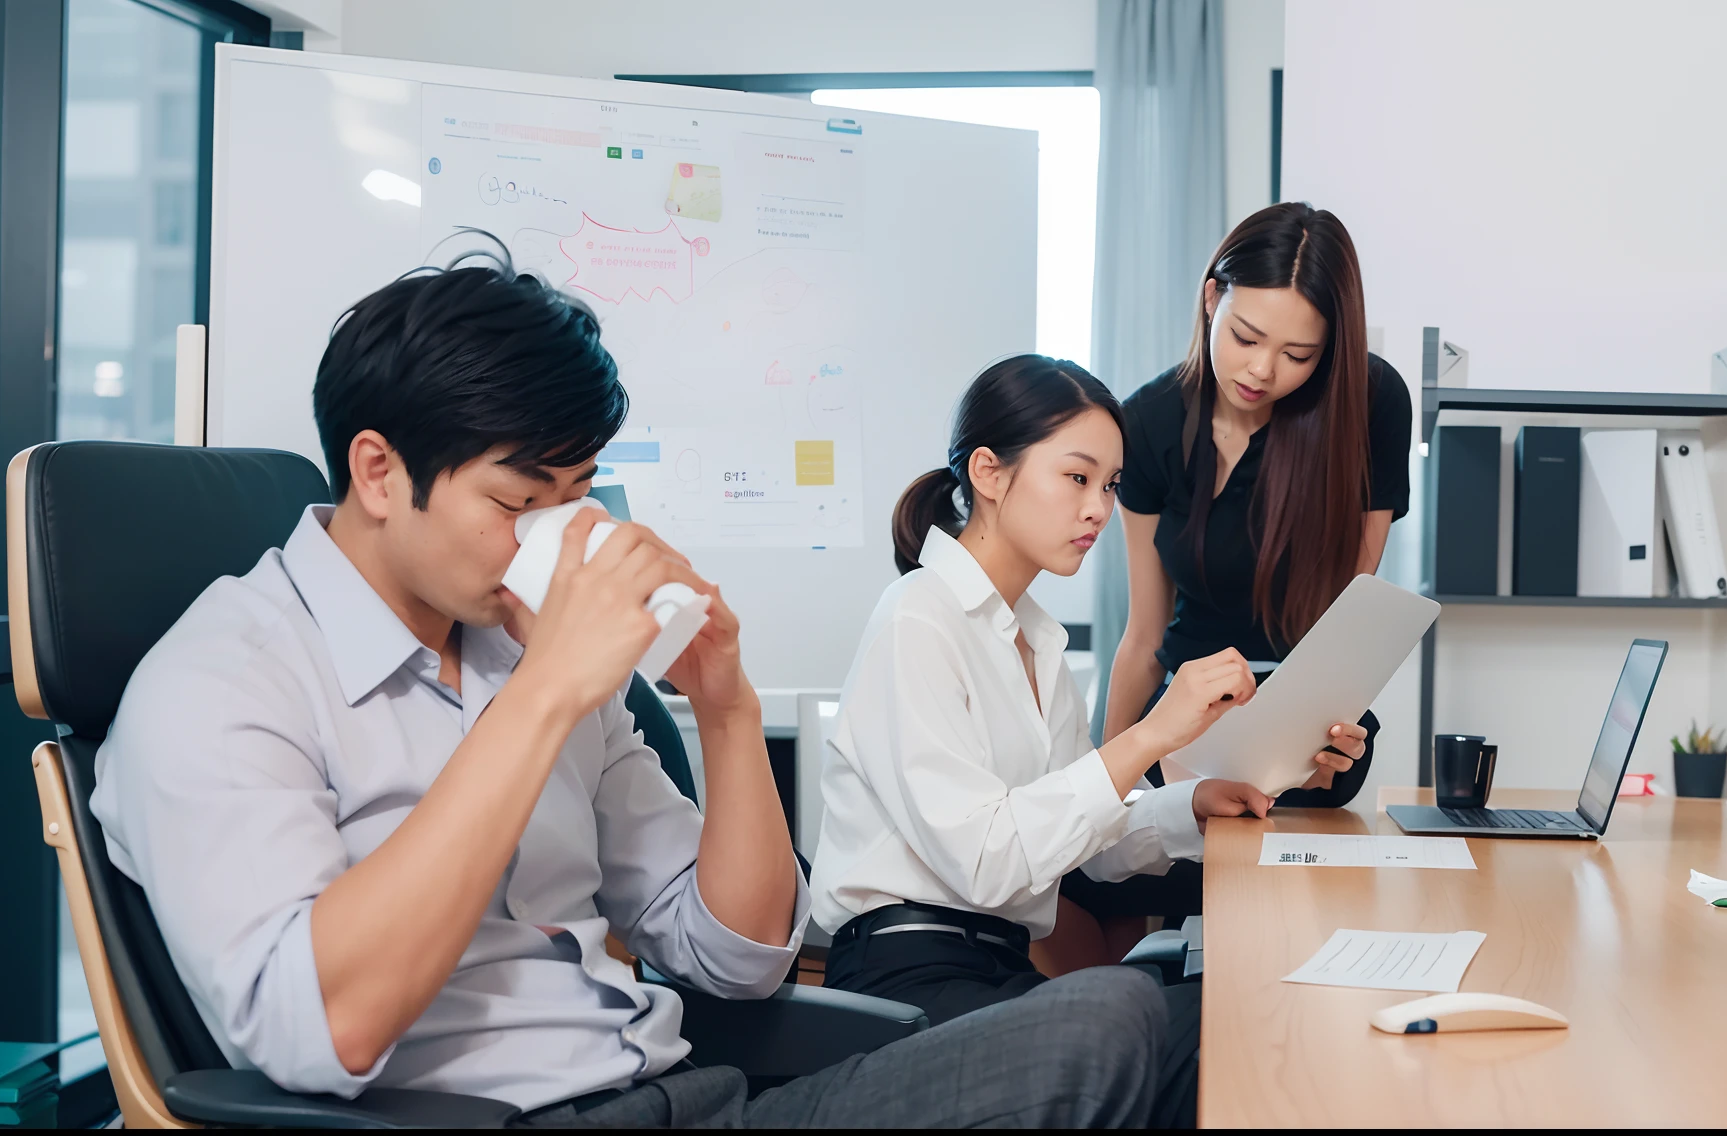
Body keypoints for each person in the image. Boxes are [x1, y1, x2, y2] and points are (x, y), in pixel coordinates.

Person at [90, 253, 1185, 1128]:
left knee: (1129, 1016)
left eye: (577, 494)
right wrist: (545, 695)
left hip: (693, 1089)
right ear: (379, 472)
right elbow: (325, 1025)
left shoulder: (519, 646)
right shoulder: (216, 684)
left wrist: (724, 704)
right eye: (522, 499)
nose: (562, 536)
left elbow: (739, 953)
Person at [809, 354, 1360, 1127]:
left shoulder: (1034, 638)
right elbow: (990, 862)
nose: (1100, 508)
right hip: (911, 981)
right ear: (990, 474)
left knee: (1231, 1021)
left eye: (1110, 485)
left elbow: (1085, 844)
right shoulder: (917, 618)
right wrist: (1153, 734)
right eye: (1077, 478)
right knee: (1198, 1028)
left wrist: (1191, 805)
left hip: (993, 970)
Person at [1057, 201, 1407, 967]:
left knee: (1292, 923)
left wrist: (1327, 725)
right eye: (1247, 337)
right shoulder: (1148, 423)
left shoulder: (1369, 403)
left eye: (1298, 354)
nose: (1261, 370)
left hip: (1312, 725)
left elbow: (1354, 612)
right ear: (1213, 298)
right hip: (1186, 719)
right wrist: (1105, 783)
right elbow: (1144, 636)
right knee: (1090, 885)